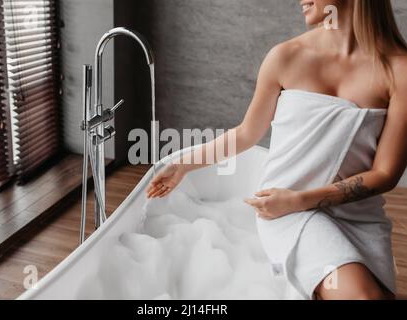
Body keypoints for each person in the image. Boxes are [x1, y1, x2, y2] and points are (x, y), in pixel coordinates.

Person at [147, 0, 407, 300]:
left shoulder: (399, 69)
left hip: (356, 213)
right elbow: (246, 134)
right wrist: (184, 164)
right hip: (285, 210)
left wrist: (303, 199)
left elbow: (386, 173)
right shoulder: (286, 57)